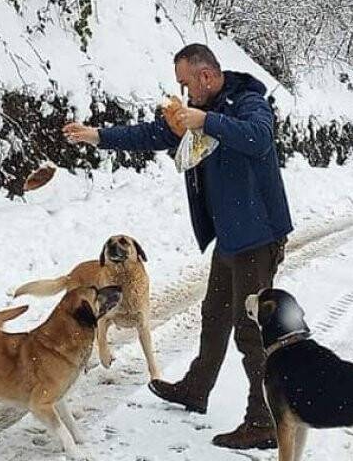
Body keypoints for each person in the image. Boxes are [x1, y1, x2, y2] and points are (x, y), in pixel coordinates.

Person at [62, 43, 292, 449]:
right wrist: (98, 136)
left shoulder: (249, 102)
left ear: (206, 76)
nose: (184, 94)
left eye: (187, 83)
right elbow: (151, 133)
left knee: (250, 330)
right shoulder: (193, 113)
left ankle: (264, 422)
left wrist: (207, 120)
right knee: (214, 314)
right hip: (231, 238)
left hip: (258, 237)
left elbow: (259, 138)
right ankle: (196, 389)